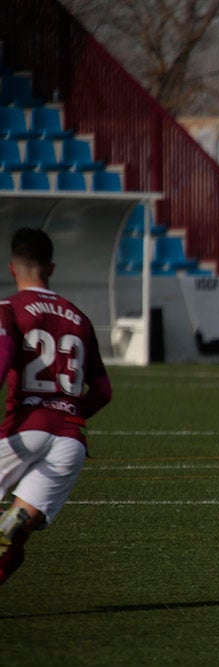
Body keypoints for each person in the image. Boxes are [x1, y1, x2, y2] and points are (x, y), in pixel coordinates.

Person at [0, 228, 113, 584]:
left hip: (24, 428)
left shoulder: (9, 309)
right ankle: (12, 519)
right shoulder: (78, 317)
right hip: (69, 441)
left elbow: (2, 358)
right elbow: (104, 390)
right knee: (15, 537)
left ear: (12, 269)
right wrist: (71, 413)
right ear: (51, 268)